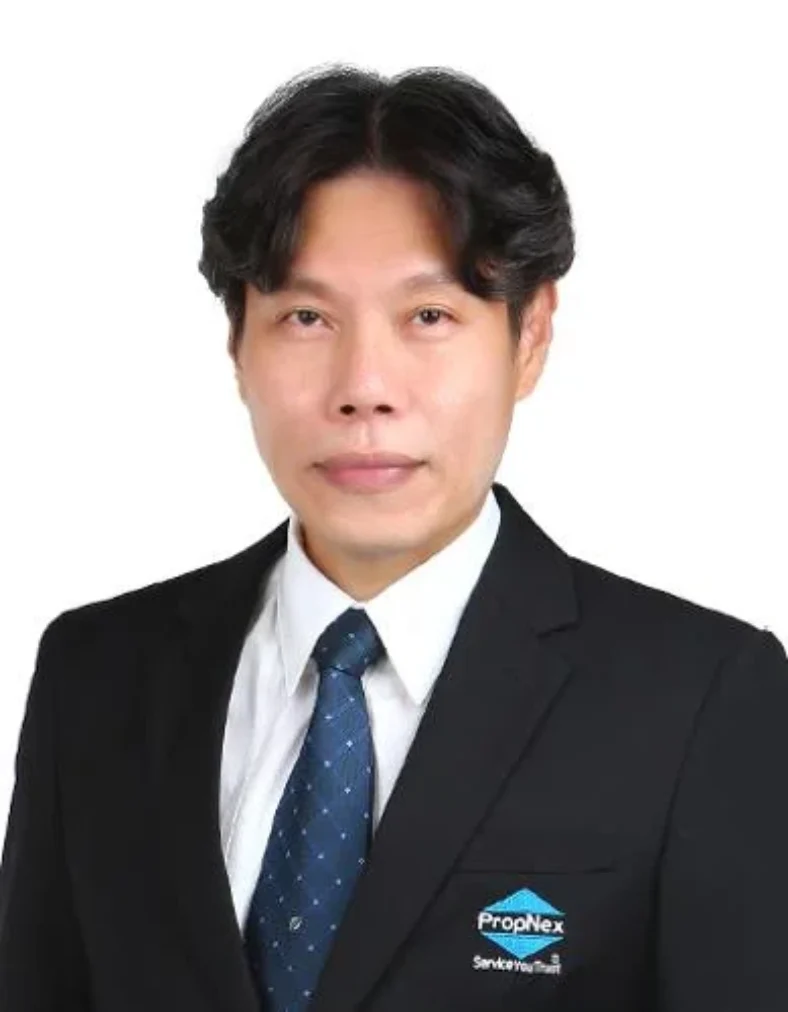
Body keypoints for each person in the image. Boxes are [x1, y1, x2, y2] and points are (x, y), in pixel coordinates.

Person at [0, 62, 786, 1012]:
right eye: (305, 317)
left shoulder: (700, 698)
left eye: (429, 316)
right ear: (237, 344)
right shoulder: (96, 675)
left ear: (530, 336)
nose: (364, 387)